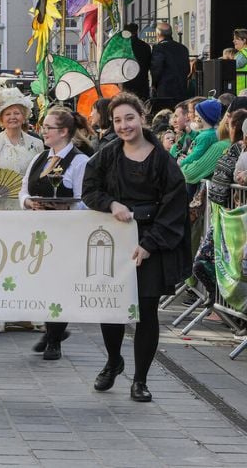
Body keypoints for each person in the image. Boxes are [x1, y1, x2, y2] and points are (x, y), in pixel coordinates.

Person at [82, 92, 191, 402]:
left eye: (129, 118)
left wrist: (149, 244)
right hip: (115, 238)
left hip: (152, 240)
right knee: (111, 306)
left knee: (146, 311)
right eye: (117, 120)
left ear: (142, 118)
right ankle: (113, 361)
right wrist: (111, 203)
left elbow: (174, 206)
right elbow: (89, 189)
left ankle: (140, 379)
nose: (124, 125)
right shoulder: (107, 155)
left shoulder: (163, 161)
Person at [20, 106, 91, 359]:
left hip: (65, 232)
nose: (44, 131)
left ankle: (53, 339)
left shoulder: (80, 161)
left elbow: (85, 199)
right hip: (39, 230)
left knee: (59, 284)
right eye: (44, 127)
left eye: (49, 127)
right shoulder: (40, 158)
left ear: (63, 132)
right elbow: (24, 189)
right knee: (40, 282)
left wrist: (63, 206)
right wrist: (29, 202)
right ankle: (53, 331)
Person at [192, 109, 247, 303]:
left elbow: (192, 172)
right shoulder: (232, 148)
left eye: (230, 122)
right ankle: (220, 302)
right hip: (226, 217)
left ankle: (227, 306)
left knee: (220, 267)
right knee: (203, 264)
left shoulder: (230, 148)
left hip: (232, 220)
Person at [0, 86, 44, 211]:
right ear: (1, 118)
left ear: (23, 116)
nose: (12, 117)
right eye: (7, 114)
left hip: (24, 210)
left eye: (17, 113)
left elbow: (40, 180)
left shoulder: (37, 144)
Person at [150, 22, 191, 112]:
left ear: (158, 34)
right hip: (181, 91)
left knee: (165, 115)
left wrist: (154, 84)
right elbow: (187, 69)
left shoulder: (159, 48)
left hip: (165, 92)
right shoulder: (183, 48)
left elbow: (156, 68)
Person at [123, 23, 152, 101]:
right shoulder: (145, 46)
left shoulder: (123, 47)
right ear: (136, 31)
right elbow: (149, 65)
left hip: (127, 83)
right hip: (142, 83)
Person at [233, 29, 247, 93]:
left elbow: (233, 66)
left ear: (244, 40)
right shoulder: (240, 53)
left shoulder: (244, 53)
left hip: (242, 91)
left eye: (236, 39)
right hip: (241, 90)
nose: (234, 41)